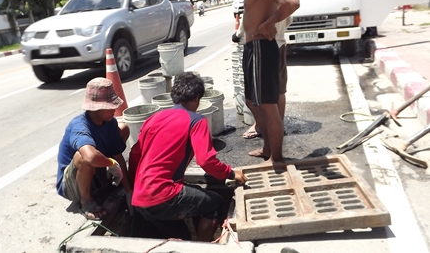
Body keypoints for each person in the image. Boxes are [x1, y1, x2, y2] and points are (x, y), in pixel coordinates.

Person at [128, 72, 248, 241]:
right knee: (215, 203)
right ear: (197, 98)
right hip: (163, 196)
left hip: (140, 198)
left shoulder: (154, 119)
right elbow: (205, 160)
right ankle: (201, 246)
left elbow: (135, 155)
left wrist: (132, 187)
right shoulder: (196, 121)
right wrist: (230, 173)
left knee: (181, 237)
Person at [219, 0, 300, 162]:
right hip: (257, 49)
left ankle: (276, 159)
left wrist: (268, 23)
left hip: (261, 49)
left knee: (267, 106)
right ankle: (268, 149)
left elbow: (291, 1)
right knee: (254, 102)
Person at [56, 77, 132, 220]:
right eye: (110, 106)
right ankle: (86, 201)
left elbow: (117, 155)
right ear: (96, 108)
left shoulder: (108, 122)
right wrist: (111, 165)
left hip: (95, 173)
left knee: (122, 128)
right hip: (72, 185)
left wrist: (129, 191)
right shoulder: (79, 126)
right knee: (83, 156)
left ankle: (104, 184)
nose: (114, 109)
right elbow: (90, 157)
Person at [232, 16, 292, 140]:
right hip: (280, 44)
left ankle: (262, 127)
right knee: (280, 89)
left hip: (263, 47)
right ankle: (278, 125)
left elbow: (247, 19)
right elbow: (289, 18)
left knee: (258, 95)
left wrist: (237, 35)